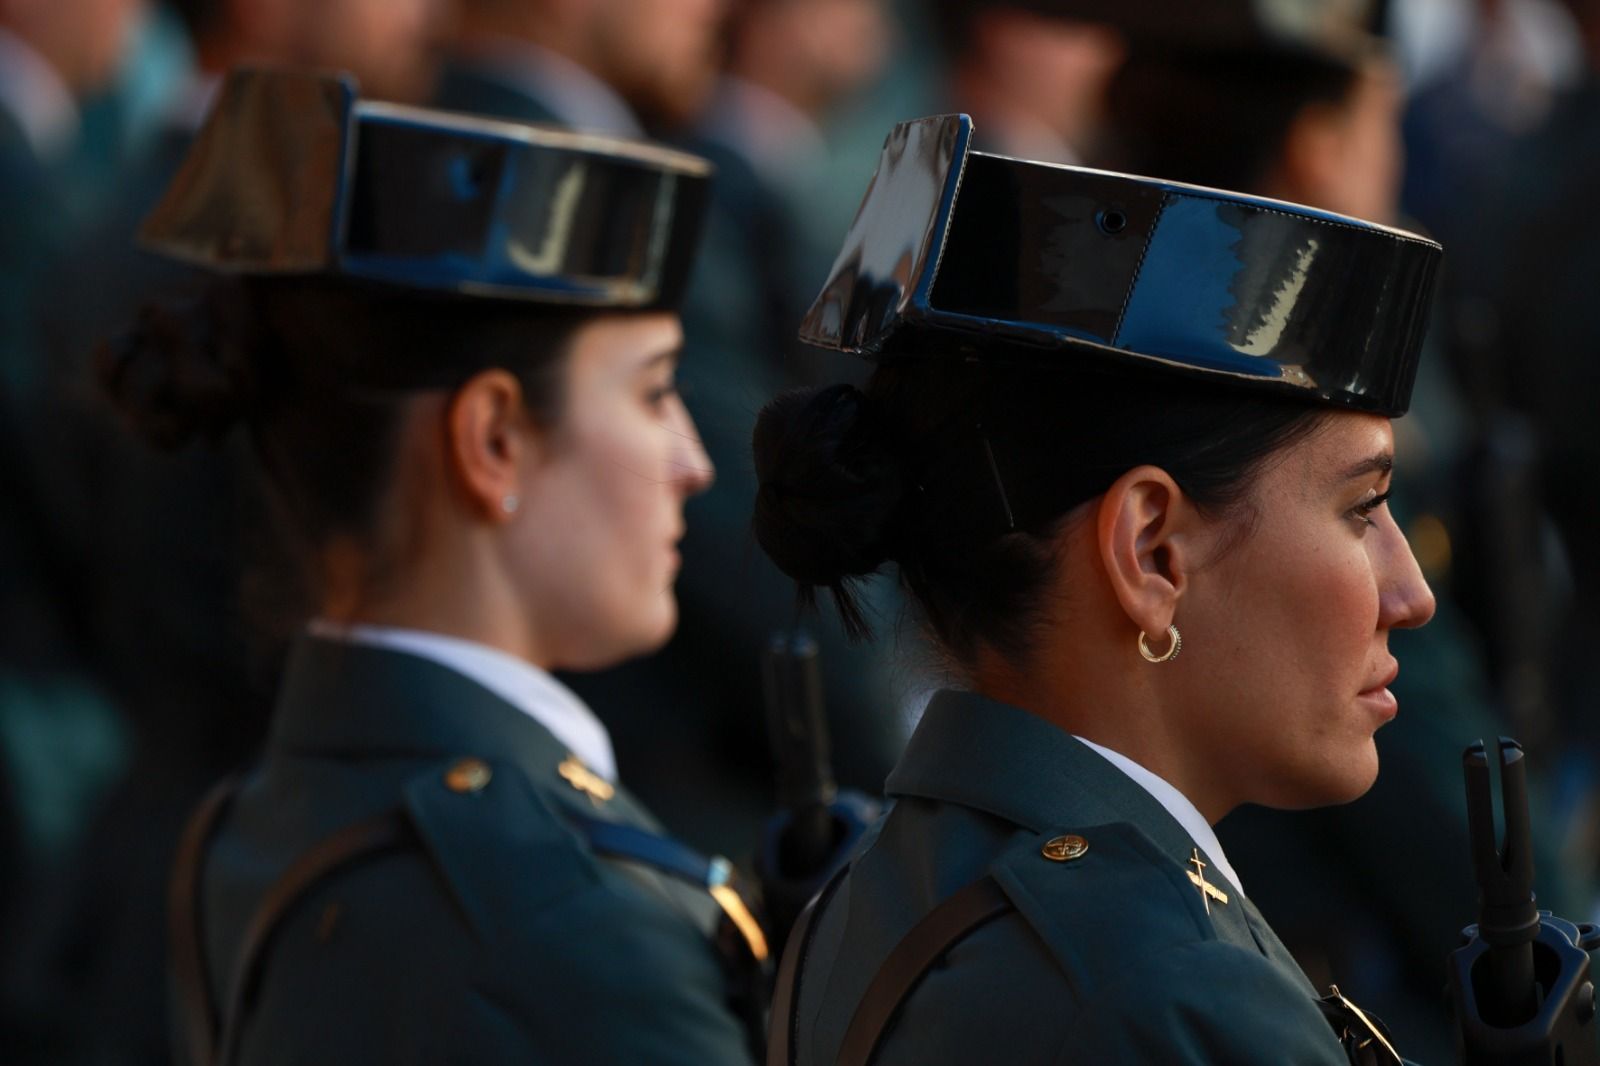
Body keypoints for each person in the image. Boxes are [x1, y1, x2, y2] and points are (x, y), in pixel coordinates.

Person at [102, 68, 763, 1064]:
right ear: (493, 439)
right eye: (653, 392)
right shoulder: (581, 919)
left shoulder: (250, 818)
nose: (692, 460)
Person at [755, 115, 1442, 1063]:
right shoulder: (1171, 987)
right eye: (1362, 510)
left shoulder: (875, 885)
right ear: (1152, 552)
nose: (1410, 593)